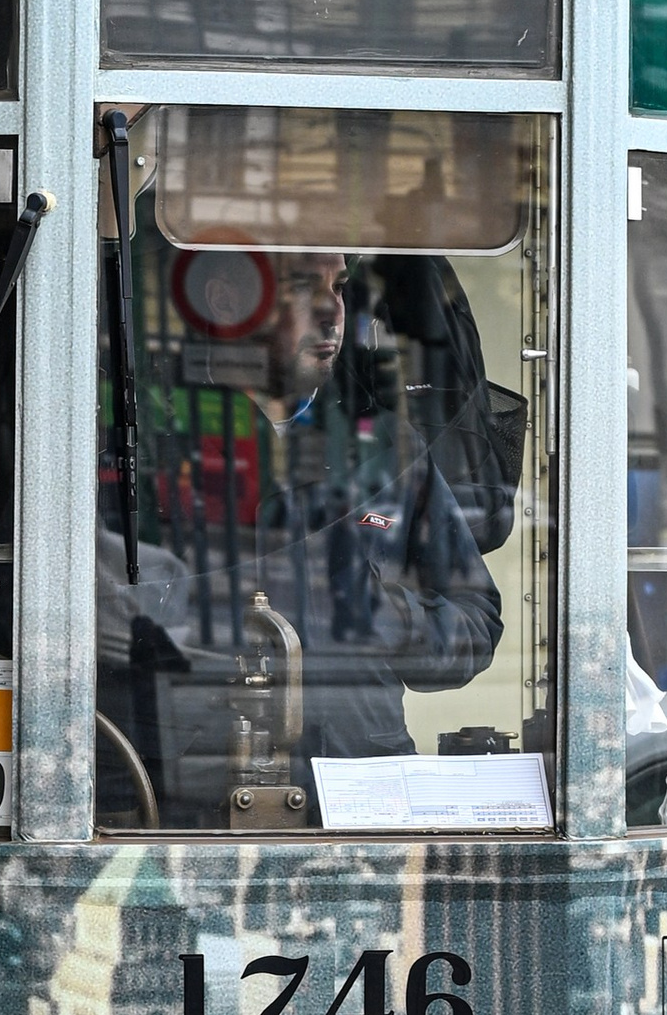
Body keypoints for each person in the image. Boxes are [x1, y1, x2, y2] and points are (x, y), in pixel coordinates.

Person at [100, 243, 508, 812]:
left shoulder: (388, 449)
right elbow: (25, 614)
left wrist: (377, 613)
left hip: (357, 799)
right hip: (183, 808)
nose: (330, 311)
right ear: (224, 302)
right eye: (298, 286)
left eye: (338, 287)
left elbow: (477, 628)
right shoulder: (139, 444)